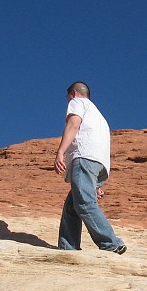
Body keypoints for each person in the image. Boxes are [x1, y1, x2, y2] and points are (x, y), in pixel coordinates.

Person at [54, 81, 127, 253]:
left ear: (73, 93)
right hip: (99, 164)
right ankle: (68, 247)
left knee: (84, 202)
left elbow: (73, 125)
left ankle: (111, 243)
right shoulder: (99, 117)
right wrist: (95, 184)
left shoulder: (77, 103)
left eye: (67, 97)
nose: (67, 101)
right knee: (72, 206)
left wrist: (60, 152)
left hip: (84, 159)